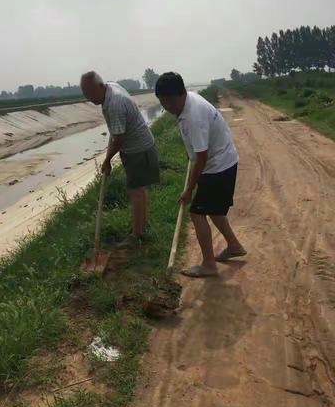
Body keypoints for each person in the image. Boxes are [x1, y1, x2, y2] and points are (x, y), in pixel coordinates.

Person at [155, 72, 246, 277]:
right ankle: (233, 245)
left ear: (181, 94)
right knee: (213, 209)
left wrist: (188, 190)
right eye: (162, 102)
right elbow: (197, 154)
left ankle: (209, 264)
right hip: (220, 162)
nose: (167, 107)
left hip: (218, 166)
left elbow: (201, 157)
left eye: (169, 101)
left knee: (197, 212)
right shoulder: (188, 104)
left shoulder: (193, 115)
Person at [80, 71, 160, 246]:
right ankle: (140, 227)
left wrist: (107, 160)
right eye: (86, 95)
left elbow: (119, 139)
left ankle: (137, 235)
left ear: (101, 87)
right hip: (138, 146)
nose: (90, 99)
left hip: (137, 150)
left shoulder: (114, 103)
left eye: (91, 94)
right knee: (137, 190)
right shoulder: (111, 87)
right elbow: (117, 134)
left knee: (135, 191)